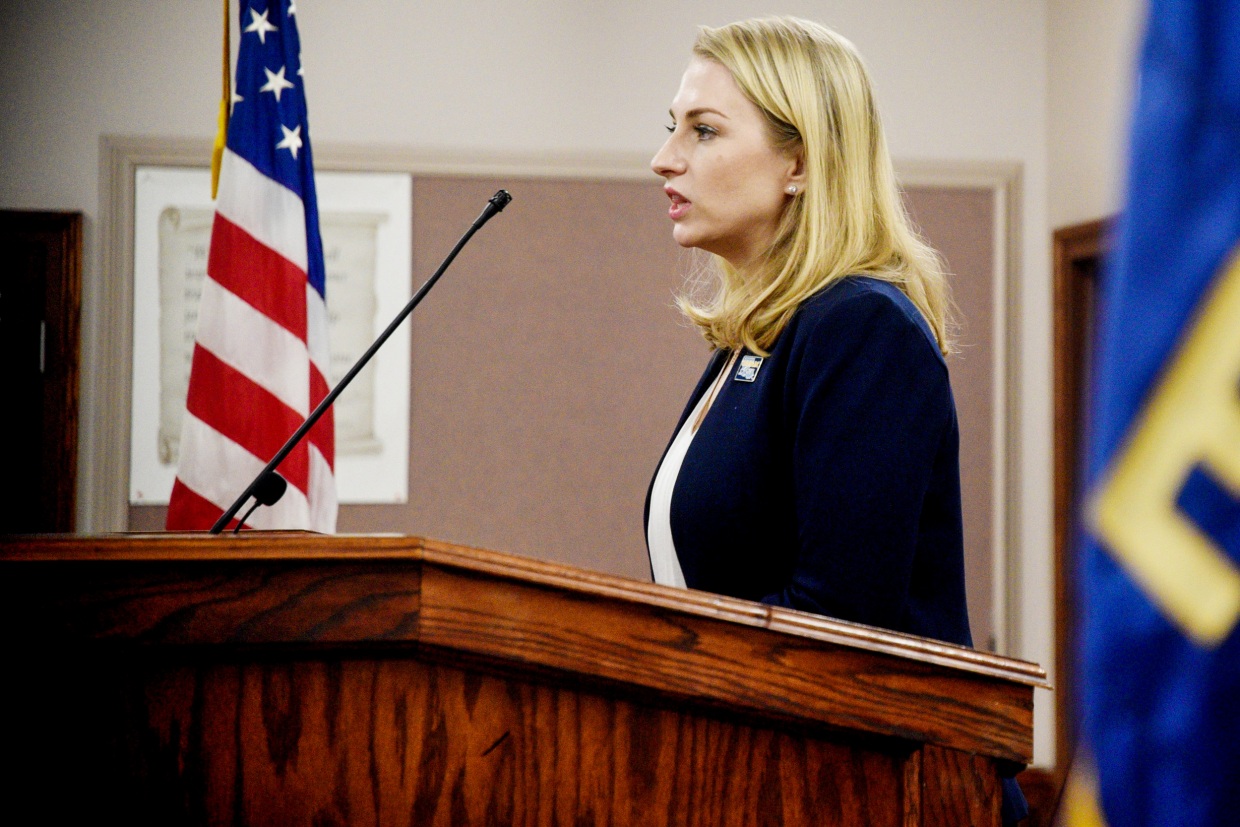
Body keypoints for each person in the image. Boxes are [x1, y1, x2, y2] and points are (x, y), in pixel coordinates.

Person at [643, 17, 1027, 824]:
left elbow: (837, 622)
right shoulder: (763, 333)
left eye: (703, 130)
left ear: (802, 161)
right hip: (768, 776)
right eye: (670, 127)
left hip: (877, 792)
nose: (665, 158)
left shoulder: (861, 326)